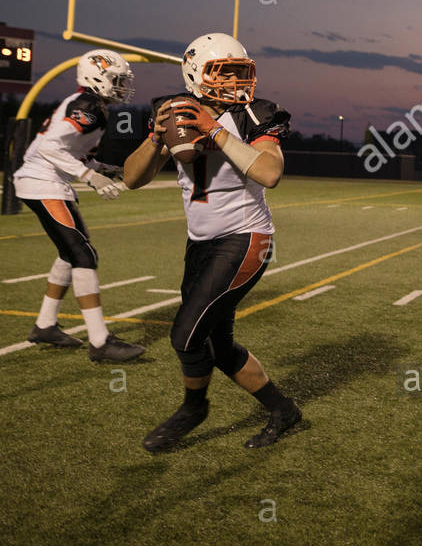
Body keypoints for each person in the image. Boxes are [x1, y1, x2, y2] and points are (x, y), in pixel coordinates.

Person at [122, 33, 300, 452]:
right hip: (200, 242)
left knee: (185, 335)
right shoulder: (172, 108)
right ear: (195, 74)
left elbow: (269, 173)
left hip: (246, 237)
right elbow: (132, 179)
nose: (236, 82)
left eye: (241, 72)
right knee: (218, 344)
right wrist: (156, 137)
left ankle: (193, 408)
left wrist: (215, 132)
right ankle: (283, 409)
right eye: (225, 73)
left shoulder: (257, 114)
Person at [13, 49, 144, 362]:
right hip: (41, 182)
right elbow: (48, 147)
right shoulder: (88, 106)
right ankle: (99, 342)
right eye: (117, 79)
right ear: (96, 76)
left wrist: (102, 168)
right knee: (82, 255)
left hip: (50, 181)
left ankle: (45, 324)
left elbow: (71, 151)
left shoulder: (93, 105)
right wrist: (89, 177)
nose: (122, 86)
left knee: (71, 253)